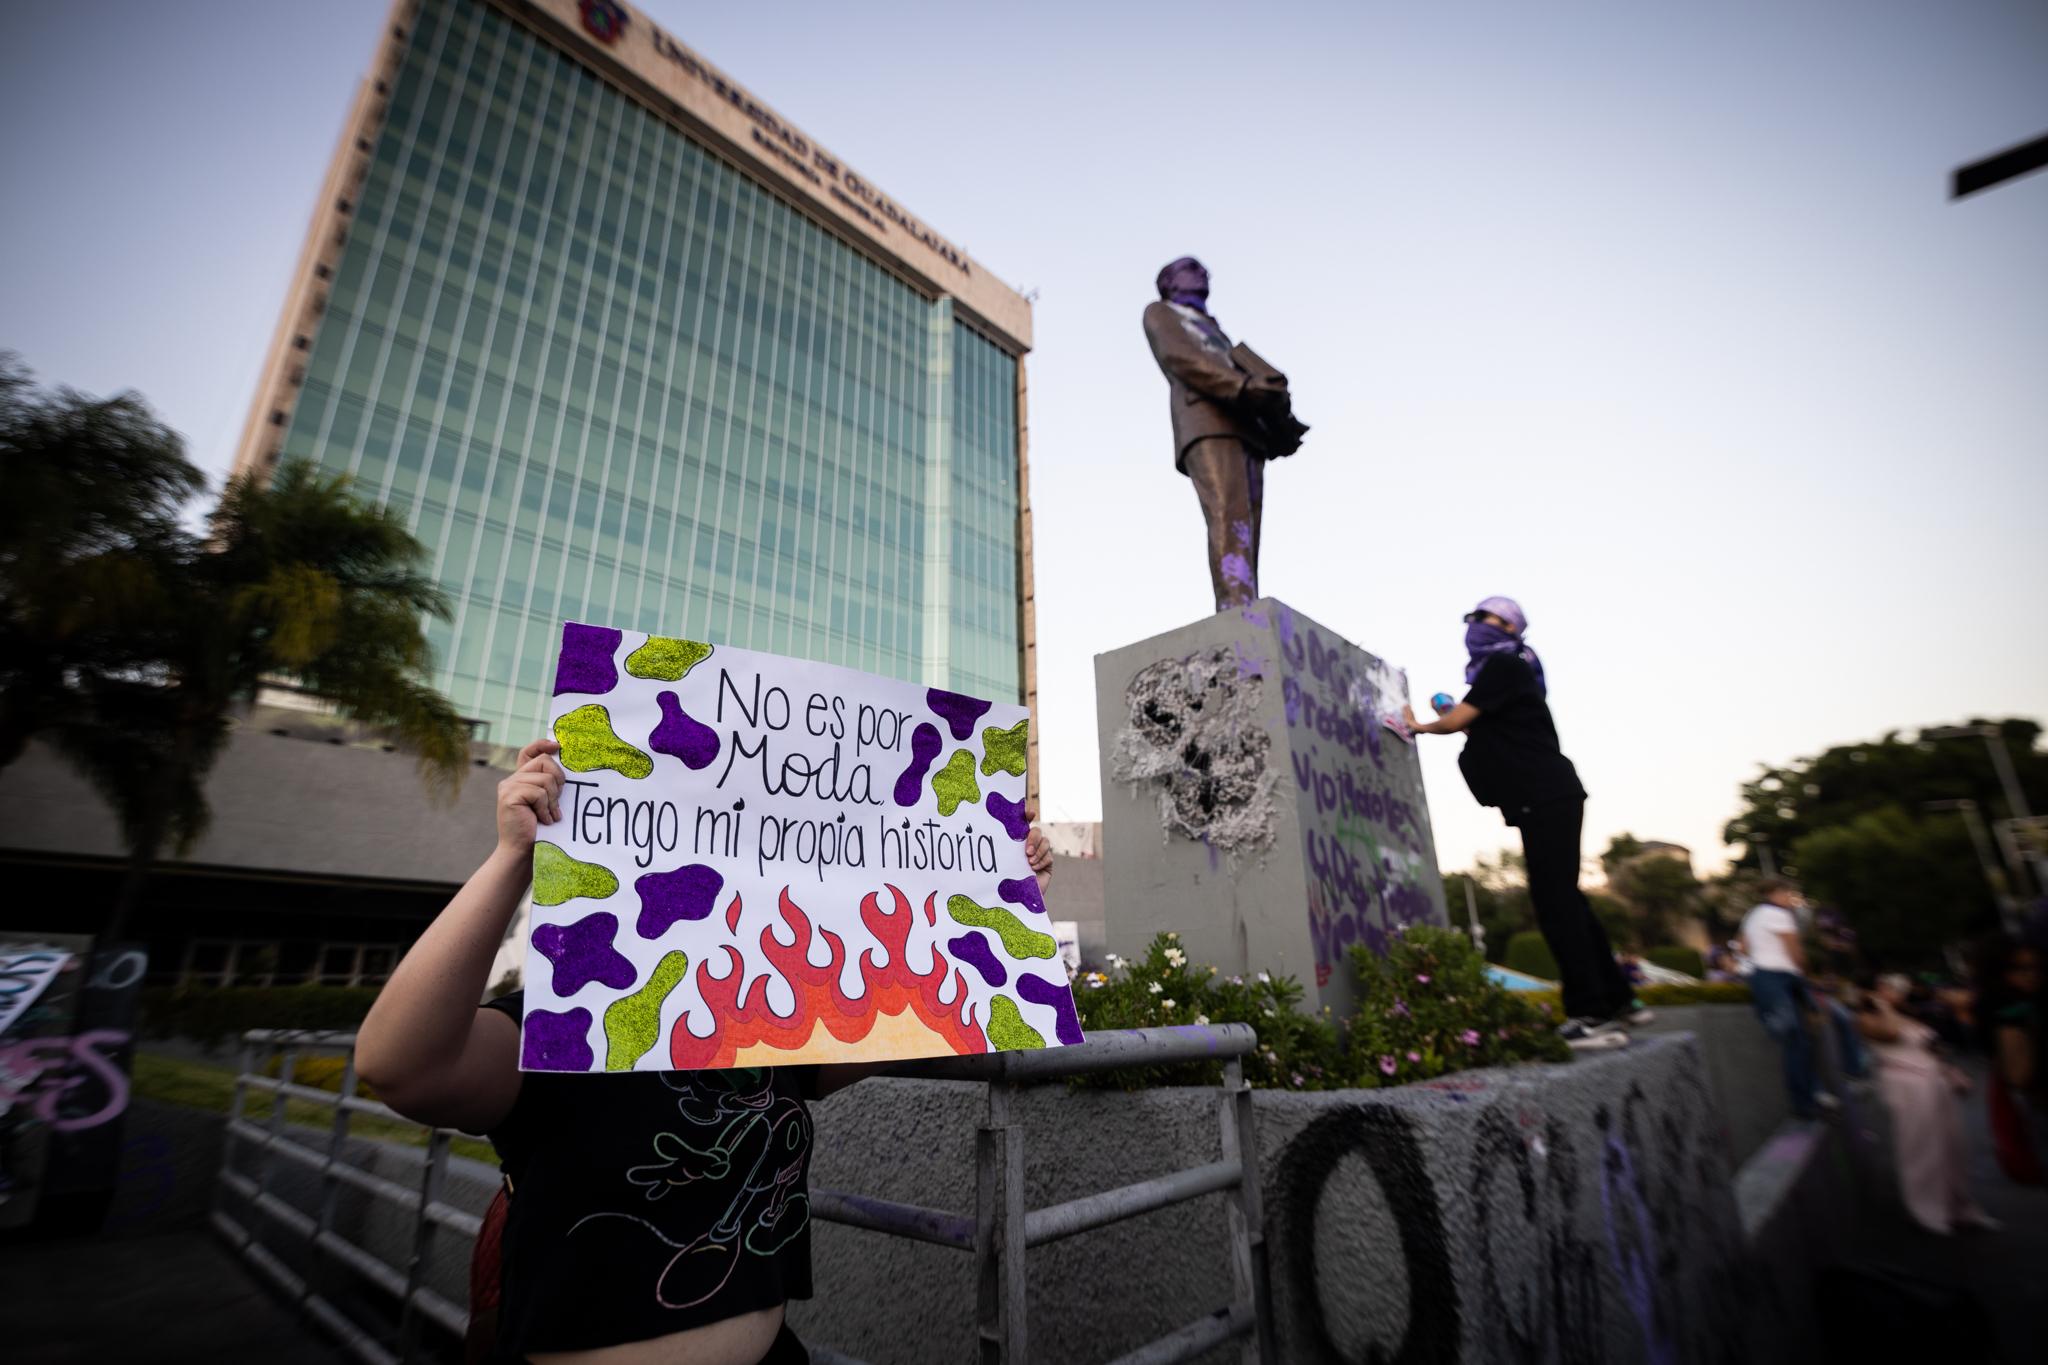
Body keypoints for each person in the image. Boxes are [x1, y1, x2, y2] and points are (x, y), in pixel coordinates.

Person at [357, 738, 1056, 1364]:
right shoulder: (557, 1032)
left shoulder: (761, 1032)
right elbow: (397, 1064)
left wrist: (1001, 890)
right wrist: (513, 857)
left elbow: (922, 1014)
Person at [1404, 596, 1640, 1047]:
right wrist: (1454, 718)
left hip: (1544, 795)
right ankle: (1617, 998)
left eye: (1483, 618)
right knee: (1566, 899)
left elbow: (1458, 722)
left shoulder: (1506, 664)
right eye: (1471, 618)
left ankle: (1591, 1012)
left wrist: (1418, 726)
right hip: (1550, 794)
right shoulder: (1513, 673)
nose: (1474, 625)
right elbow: (1477, 726)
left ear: (1510, 627)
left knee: (1554, 904)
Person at [1140, 257, 1306, 611]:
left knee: (1249, 522)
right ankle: (1235, 605)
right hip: (1206, 423)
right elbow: (1181, 358)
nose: (1203, 273)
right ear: (1169, 281)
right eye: (1192, 268)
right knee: (1227, 513)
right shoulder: (1161, 313)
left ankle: (1246, 599)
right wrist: (1243, 386)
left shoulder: (1212, 326)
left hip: (1245, 428)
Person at [1856, 974, 1997, 1233]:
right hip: (1906, 1086)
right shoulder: (1868, 1017)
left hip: (1935, 1083)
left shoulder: (1912, 1015)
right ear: (1878, 988)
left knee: (1953, 1145)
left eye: (1901, 987)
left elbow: (1932, 1048)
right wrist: (1881, 1006)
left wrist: (1952, 1073)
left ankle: (1960, 1207)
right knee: (1921, 1148)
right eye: (1891, 987)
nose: (1897, 992)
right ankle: (1928, 1210)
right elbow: (1890, 1032)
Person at [1740, 878, 1835, 1119]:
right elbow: (1795, 950)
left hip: (1763, 977)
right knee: (1798, 1039)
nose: (1790, 899)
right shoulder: (1779, 914)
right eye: (1788, 894)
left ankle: (1812, 1092)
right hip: (1781, 977)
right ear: (1776, 893)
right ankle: (1806, 1099)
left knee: (1798, 1040)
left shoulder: (1753, 915)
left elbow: (1742, 947)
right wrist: (1804, 972)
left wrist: (1761, 957)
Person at [1974, 934, 2044, 1184]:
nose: (2031, 974)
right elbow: (2019, 1075)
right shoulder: (2009, 1011)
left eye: (2035, 966)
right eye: (2020, 968)